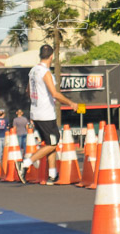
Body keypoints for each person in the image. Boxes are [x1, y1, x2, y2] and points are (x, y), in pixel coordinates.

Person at [18, 44, 81, 184]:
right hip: (46, 113)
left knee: (50, 142)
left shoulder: (33, 71)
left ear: (40, 55)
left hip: (35, 112)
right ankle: (25, 164)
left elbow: (28, 91)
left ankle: (52, 175)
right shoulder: (45, 73)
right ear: (51, 56)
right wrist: (71, 103)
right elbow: (54, 93)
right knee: (53, 143)